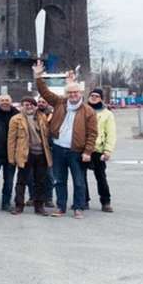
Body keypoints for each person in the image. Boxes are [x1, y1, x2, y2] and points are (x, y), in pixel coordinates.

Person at [35, 61, 97, 219]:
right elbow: (45, 92)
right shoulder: (59, 102)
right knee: (59, 180)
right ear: (66, 94)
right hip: (58, 149)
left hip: (77, 151)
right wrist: (38, 76)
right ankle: (61, 207)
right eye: (70, 93)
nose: (73, 95)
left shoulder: (88, 111)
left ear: (80, 94)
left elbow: (92, 133)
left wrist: (88, 151)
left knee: (78, 181)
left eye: (76, 93)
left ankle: (78, 207)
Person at [6, 97, 51, 216]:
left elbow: (47, 134)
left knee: (40, 181)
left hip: (41, 153)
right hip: (25, 154)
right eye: (26, 104)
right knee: (21, 181)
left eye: (31, 104)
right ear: (22, 106)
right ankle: (19, 205)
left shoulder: (42, 117)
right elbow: (11, 140)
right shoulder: (16, 119)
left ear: (35, 106)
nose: (29, 106)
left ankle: (39, 206)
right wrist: (11, 157)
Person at [86, 88, 116, 213]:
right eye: (92, 95)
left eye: (97, 96)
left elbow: (111, 133)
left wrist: (107, 151)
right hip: (83, 148)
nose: (93, 97)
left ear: (101, 98)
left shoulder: (107, 114)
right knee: (80, 177)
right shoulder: (82, 110)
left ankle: (106, 201)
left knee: (101, 177)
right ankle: (83, 200)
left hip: (98, 149)